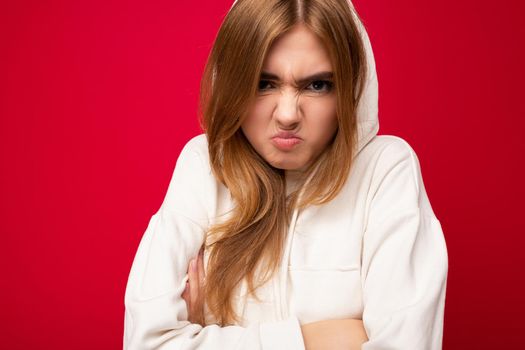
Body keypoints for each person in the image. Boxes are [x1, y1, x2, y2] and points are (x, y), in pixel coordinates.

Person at [123, 0, 449, 349]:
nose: (288, 114)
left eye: (317, 85)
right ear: (234, 82)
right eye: (264, 83)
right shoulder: (204, 165)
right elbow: (148, 343)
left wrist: (205, 335)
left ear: (350, 89)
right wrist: (314, 340)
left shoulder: (386, 171)